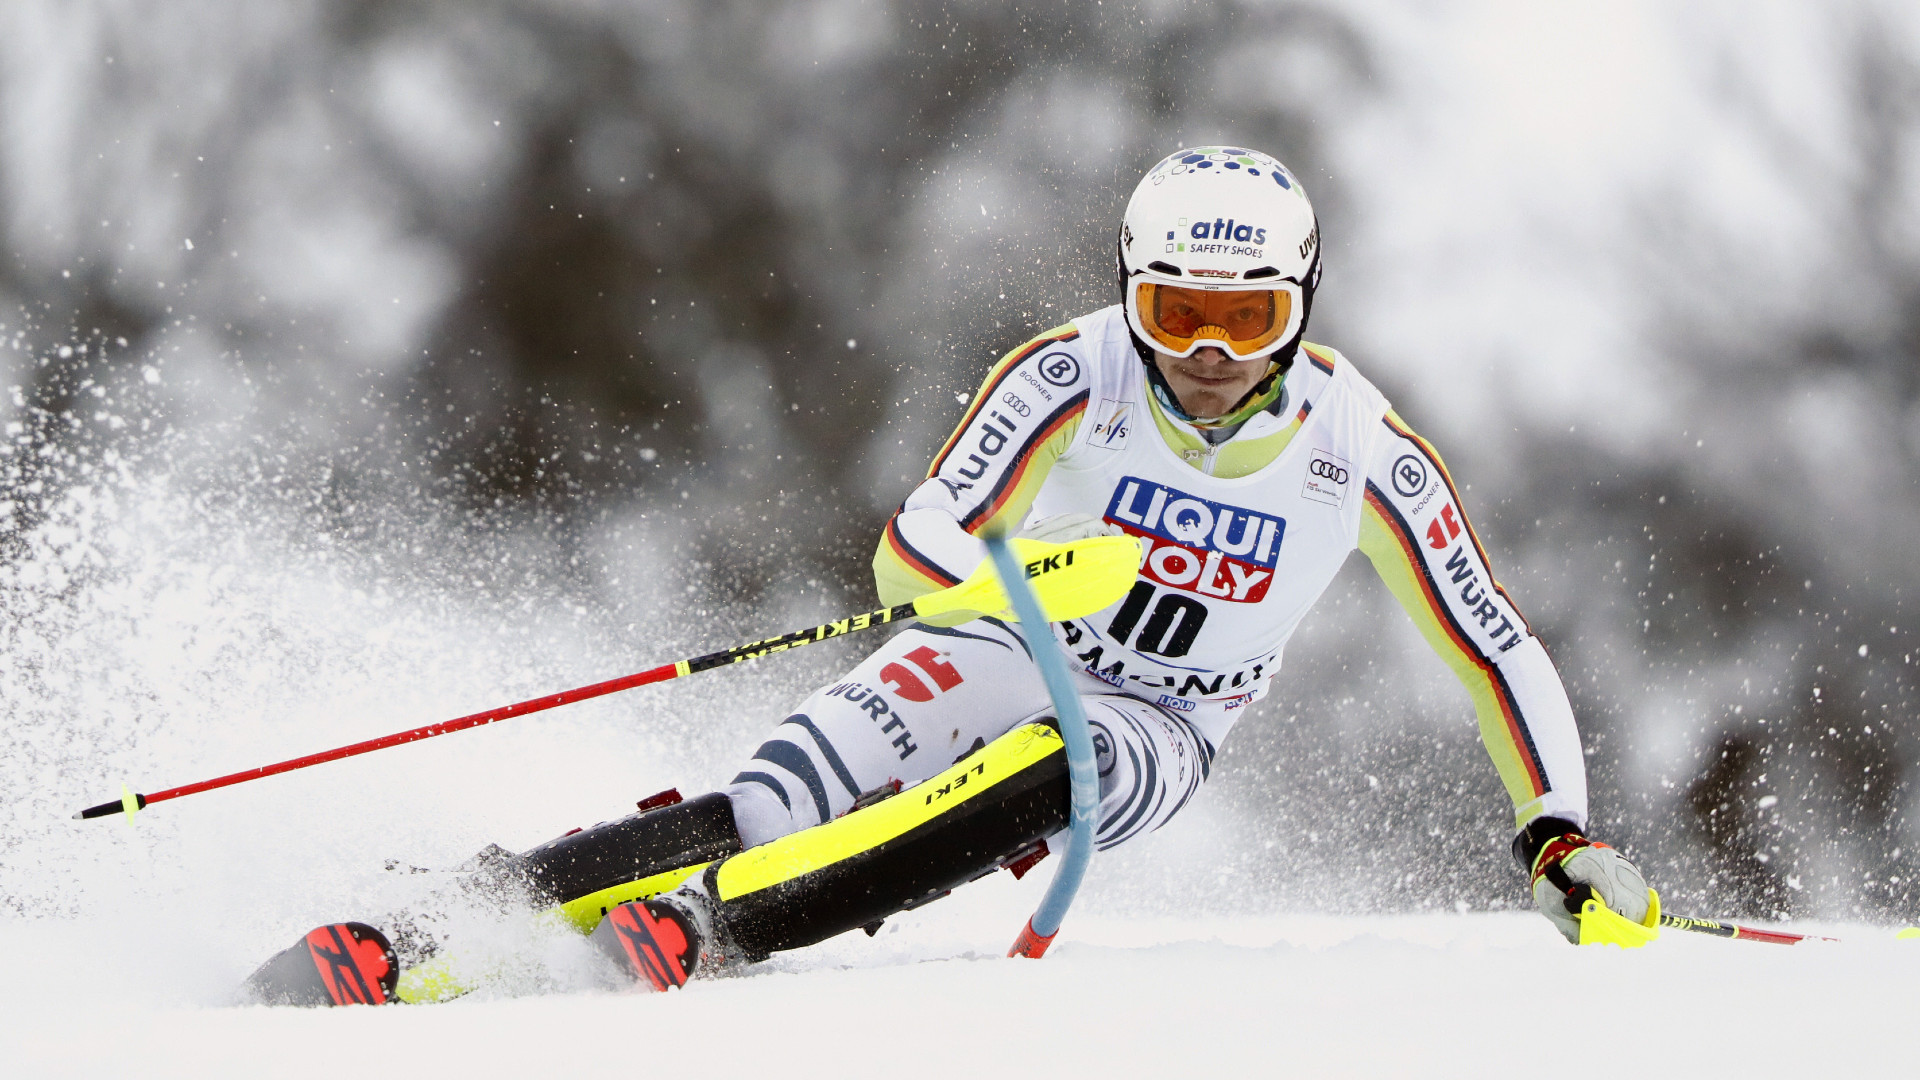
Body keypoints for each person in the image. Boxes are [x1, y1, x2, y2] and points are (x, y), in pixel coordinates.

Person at [247, 146, 1657, 1005]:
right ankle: (429, 928)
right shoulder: (1069, 371)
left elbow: (1493, 647)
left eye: (1249, 320)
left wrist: (1557, 835)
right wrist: (1031, 578)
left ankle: (722, 931)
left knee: (1058, 763)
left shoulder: (1362, 448)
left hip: (1168, 717)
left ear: (1302, 308)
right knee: (773, 794)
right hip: (1006, 634)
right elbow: (914, 550)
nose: (1212, 356)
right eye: (1178, 314)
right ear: (1130, 293)